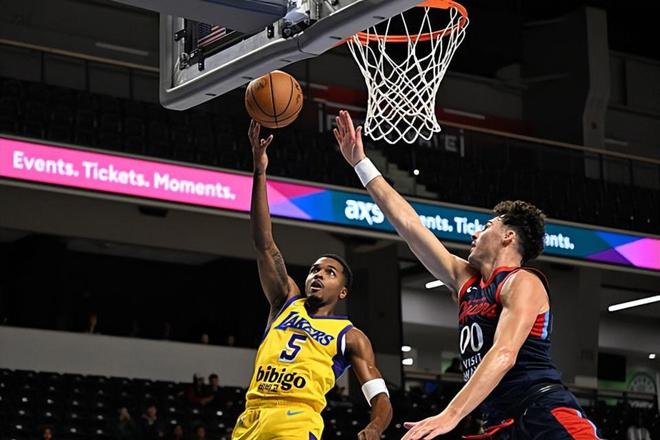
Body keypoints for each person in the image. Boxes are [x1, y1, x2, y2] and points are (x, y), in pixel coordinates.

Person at [333, 110, 600, 439]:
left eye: (487, 226)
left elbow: (504, 353)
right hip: (499, 422)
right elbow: (410, 225)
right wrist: (360, 164)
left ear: (508, 237)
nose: (475, 234)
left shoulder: (523, 282)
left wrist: (451, 414)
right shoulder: (467, 281)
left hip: (542, 413)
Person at [230, 120, 393, 440]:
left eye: (329, 272)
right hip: (250, 418)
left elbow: (380, 398)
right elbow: (264, 243)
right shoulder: (285, 301)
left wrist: (375, 427)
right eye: (315, 269)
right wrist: (259, 171)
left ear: (343, 291)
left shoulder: (350, 337)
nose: (318, 274)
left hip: (296, 420)